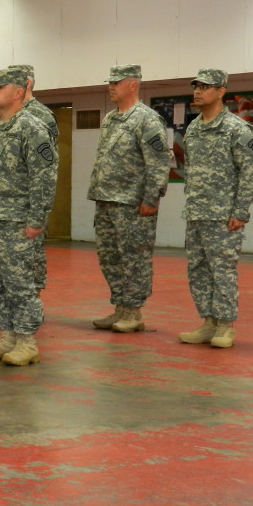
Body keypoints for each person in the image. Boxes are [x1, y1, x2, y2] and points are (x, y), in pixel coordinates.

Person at [0, 68, 58, 366]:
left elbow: (44, 177)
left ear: (19, 92)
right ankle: (7, 335)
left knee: (20, 282)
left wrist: (37, 219)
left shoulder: (32, 128)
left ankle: (26, 341)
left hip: (16, 221)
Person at [178, 69, 253, 349]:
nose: (197, 91)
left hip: (223, 216)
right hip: (196, 213)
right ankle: (208, 323)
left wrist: (240, 211)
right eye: (196, 86)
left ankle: (226, 326)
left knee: (222, 270)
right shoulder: (193, 127)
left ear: (221, 91)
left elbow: (249, 171)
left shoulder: (236, 129)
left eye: (205, 87)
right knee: (198, 270)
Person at [88, 64, 171, 333]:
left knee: (134, 258)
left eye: (117, 82)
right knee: (109, 257)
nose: (111, 86)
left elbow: (159, 163)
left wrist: (150, 199)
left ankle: (134, 312)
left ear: (132, 85)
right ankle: (120, 308)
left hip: (133, 203)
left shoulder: (147, 119)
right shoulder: (110, 119)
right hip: (106, 199)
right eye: (109, 82)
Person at [9, 64, 60, 296]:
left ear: (26, 84)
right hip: (7, 200)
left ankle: (33, 295)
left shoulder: (40, 115)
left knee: (32, 250)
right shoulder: (8, 115)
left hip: (30, 198)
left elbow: (46, 163)